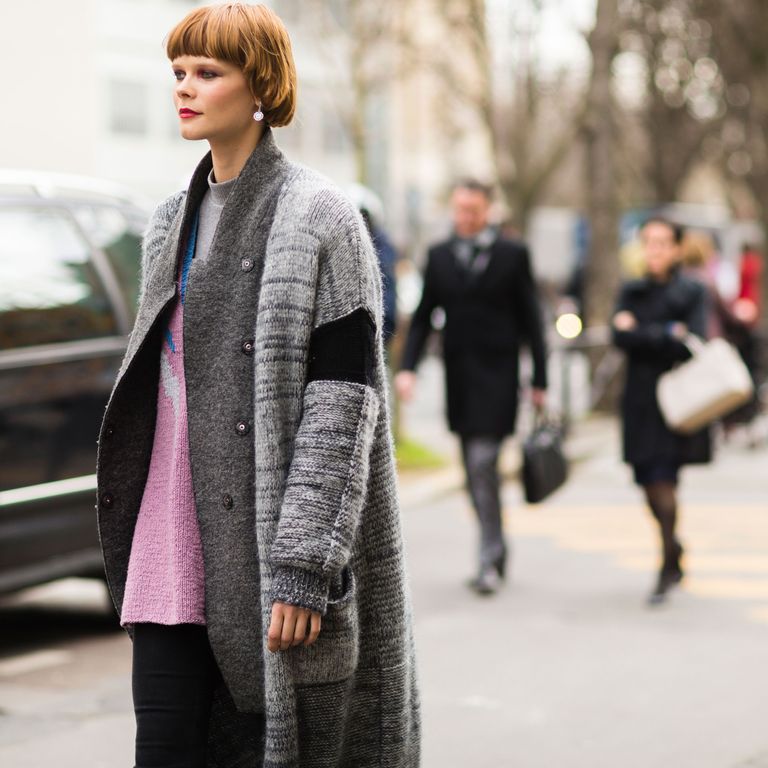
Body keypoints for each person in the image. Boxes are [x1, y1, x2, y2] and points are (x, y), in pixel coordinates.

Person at [95, 4, 420, 766]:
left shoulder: (320, 220)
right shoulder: (168, 222)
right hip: (169, 546)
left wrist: (305, 564)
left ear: (262, 84)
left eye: (208, 72)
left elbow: (342, 406)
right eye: (178, 71)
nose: (185, 88)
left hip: (265, 551)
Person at [395, 180, 548, 595]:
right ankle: (495, 545)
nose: (465, 217)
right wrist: (407, 369)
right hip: (459, 378)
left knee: (483, 463)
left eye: (474, 210)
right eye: (460, 209)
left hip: (499, 377)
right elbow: (425, 316)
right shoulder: (440, 256)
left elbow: (533, 321)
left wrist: (540, 381)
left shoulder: (513, 255)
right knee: (473, 470)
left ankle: (488, 558)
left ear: (488, 211)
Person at [612, 217, 711, 605]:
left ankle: (666, 561)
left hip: (678, 400)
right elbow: (620, 337)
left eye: (662, 242)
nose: (654, 250)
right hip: (639, 399)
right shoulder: (631, 290)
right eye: (647, 242)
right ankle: (674, 548)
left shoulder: (692, 291)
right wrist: (666, 332)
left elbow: (693, 340)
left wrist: (644, 333)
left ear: (677, 248)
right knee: (647, 484)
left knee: (664, 479)